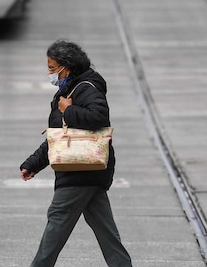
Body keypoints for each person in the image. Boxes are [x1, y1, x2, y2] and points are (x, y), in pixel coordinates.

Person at [20, 40, 132, 266]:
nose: (50, 73)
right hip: (88, 170)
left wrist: (68, 110)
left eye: (53, 68)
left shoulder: (86, 87)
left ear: (67, 67)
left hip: (79, 171)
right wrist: (33, 164)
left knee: (57, 222)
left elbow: (99, 117)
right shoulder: (68, 90)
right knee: (106, 232)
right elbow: (59, 137)